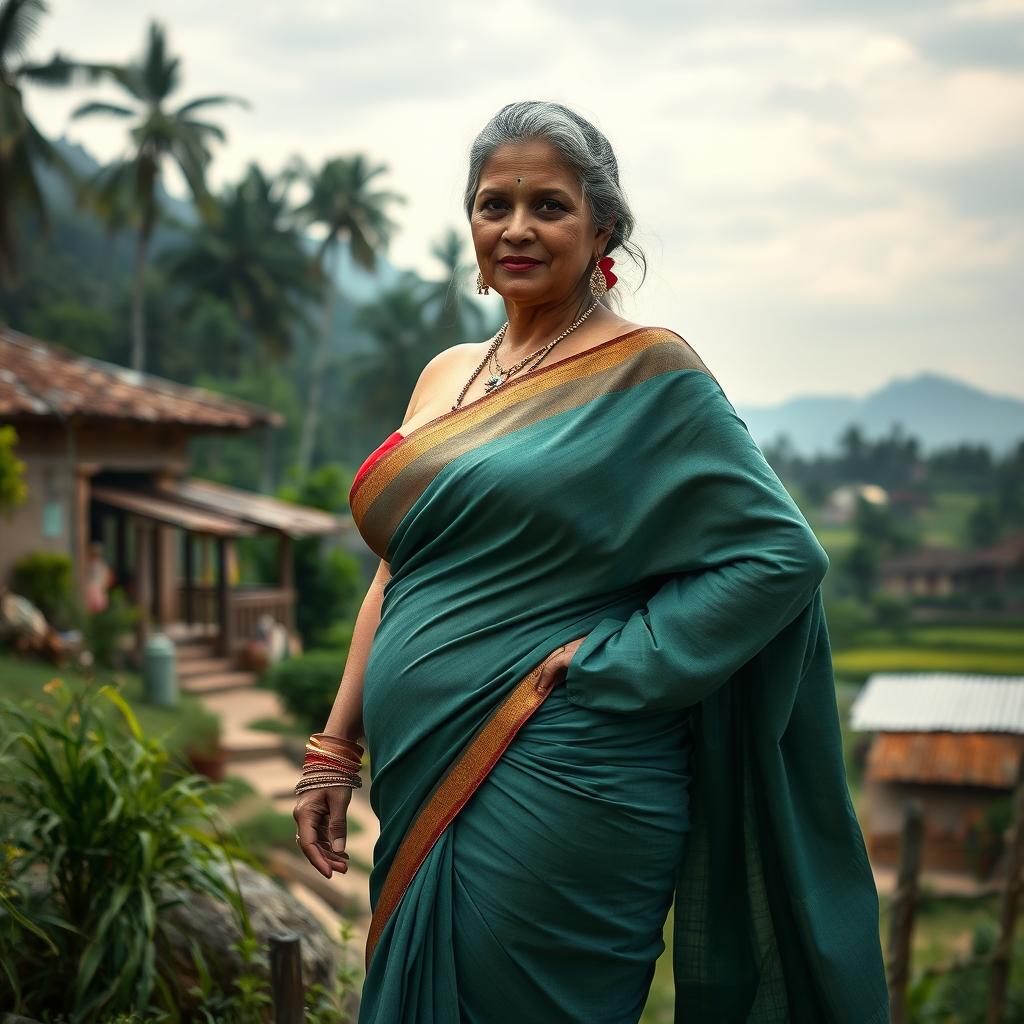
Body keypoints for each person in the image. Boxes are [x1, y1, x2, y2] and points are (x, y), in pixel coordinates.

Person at [292, 101, 890, 1023]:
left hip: (566, 773)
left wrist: (614, 666)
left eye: (550, 206)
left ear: (602, 225)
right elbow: (400, 567)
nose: (517, 228)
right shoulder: (447, 374)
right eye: (495, 205)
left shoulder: (649, 373)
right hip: (422, 768)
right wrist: (335, 746)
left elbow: (779, 555)